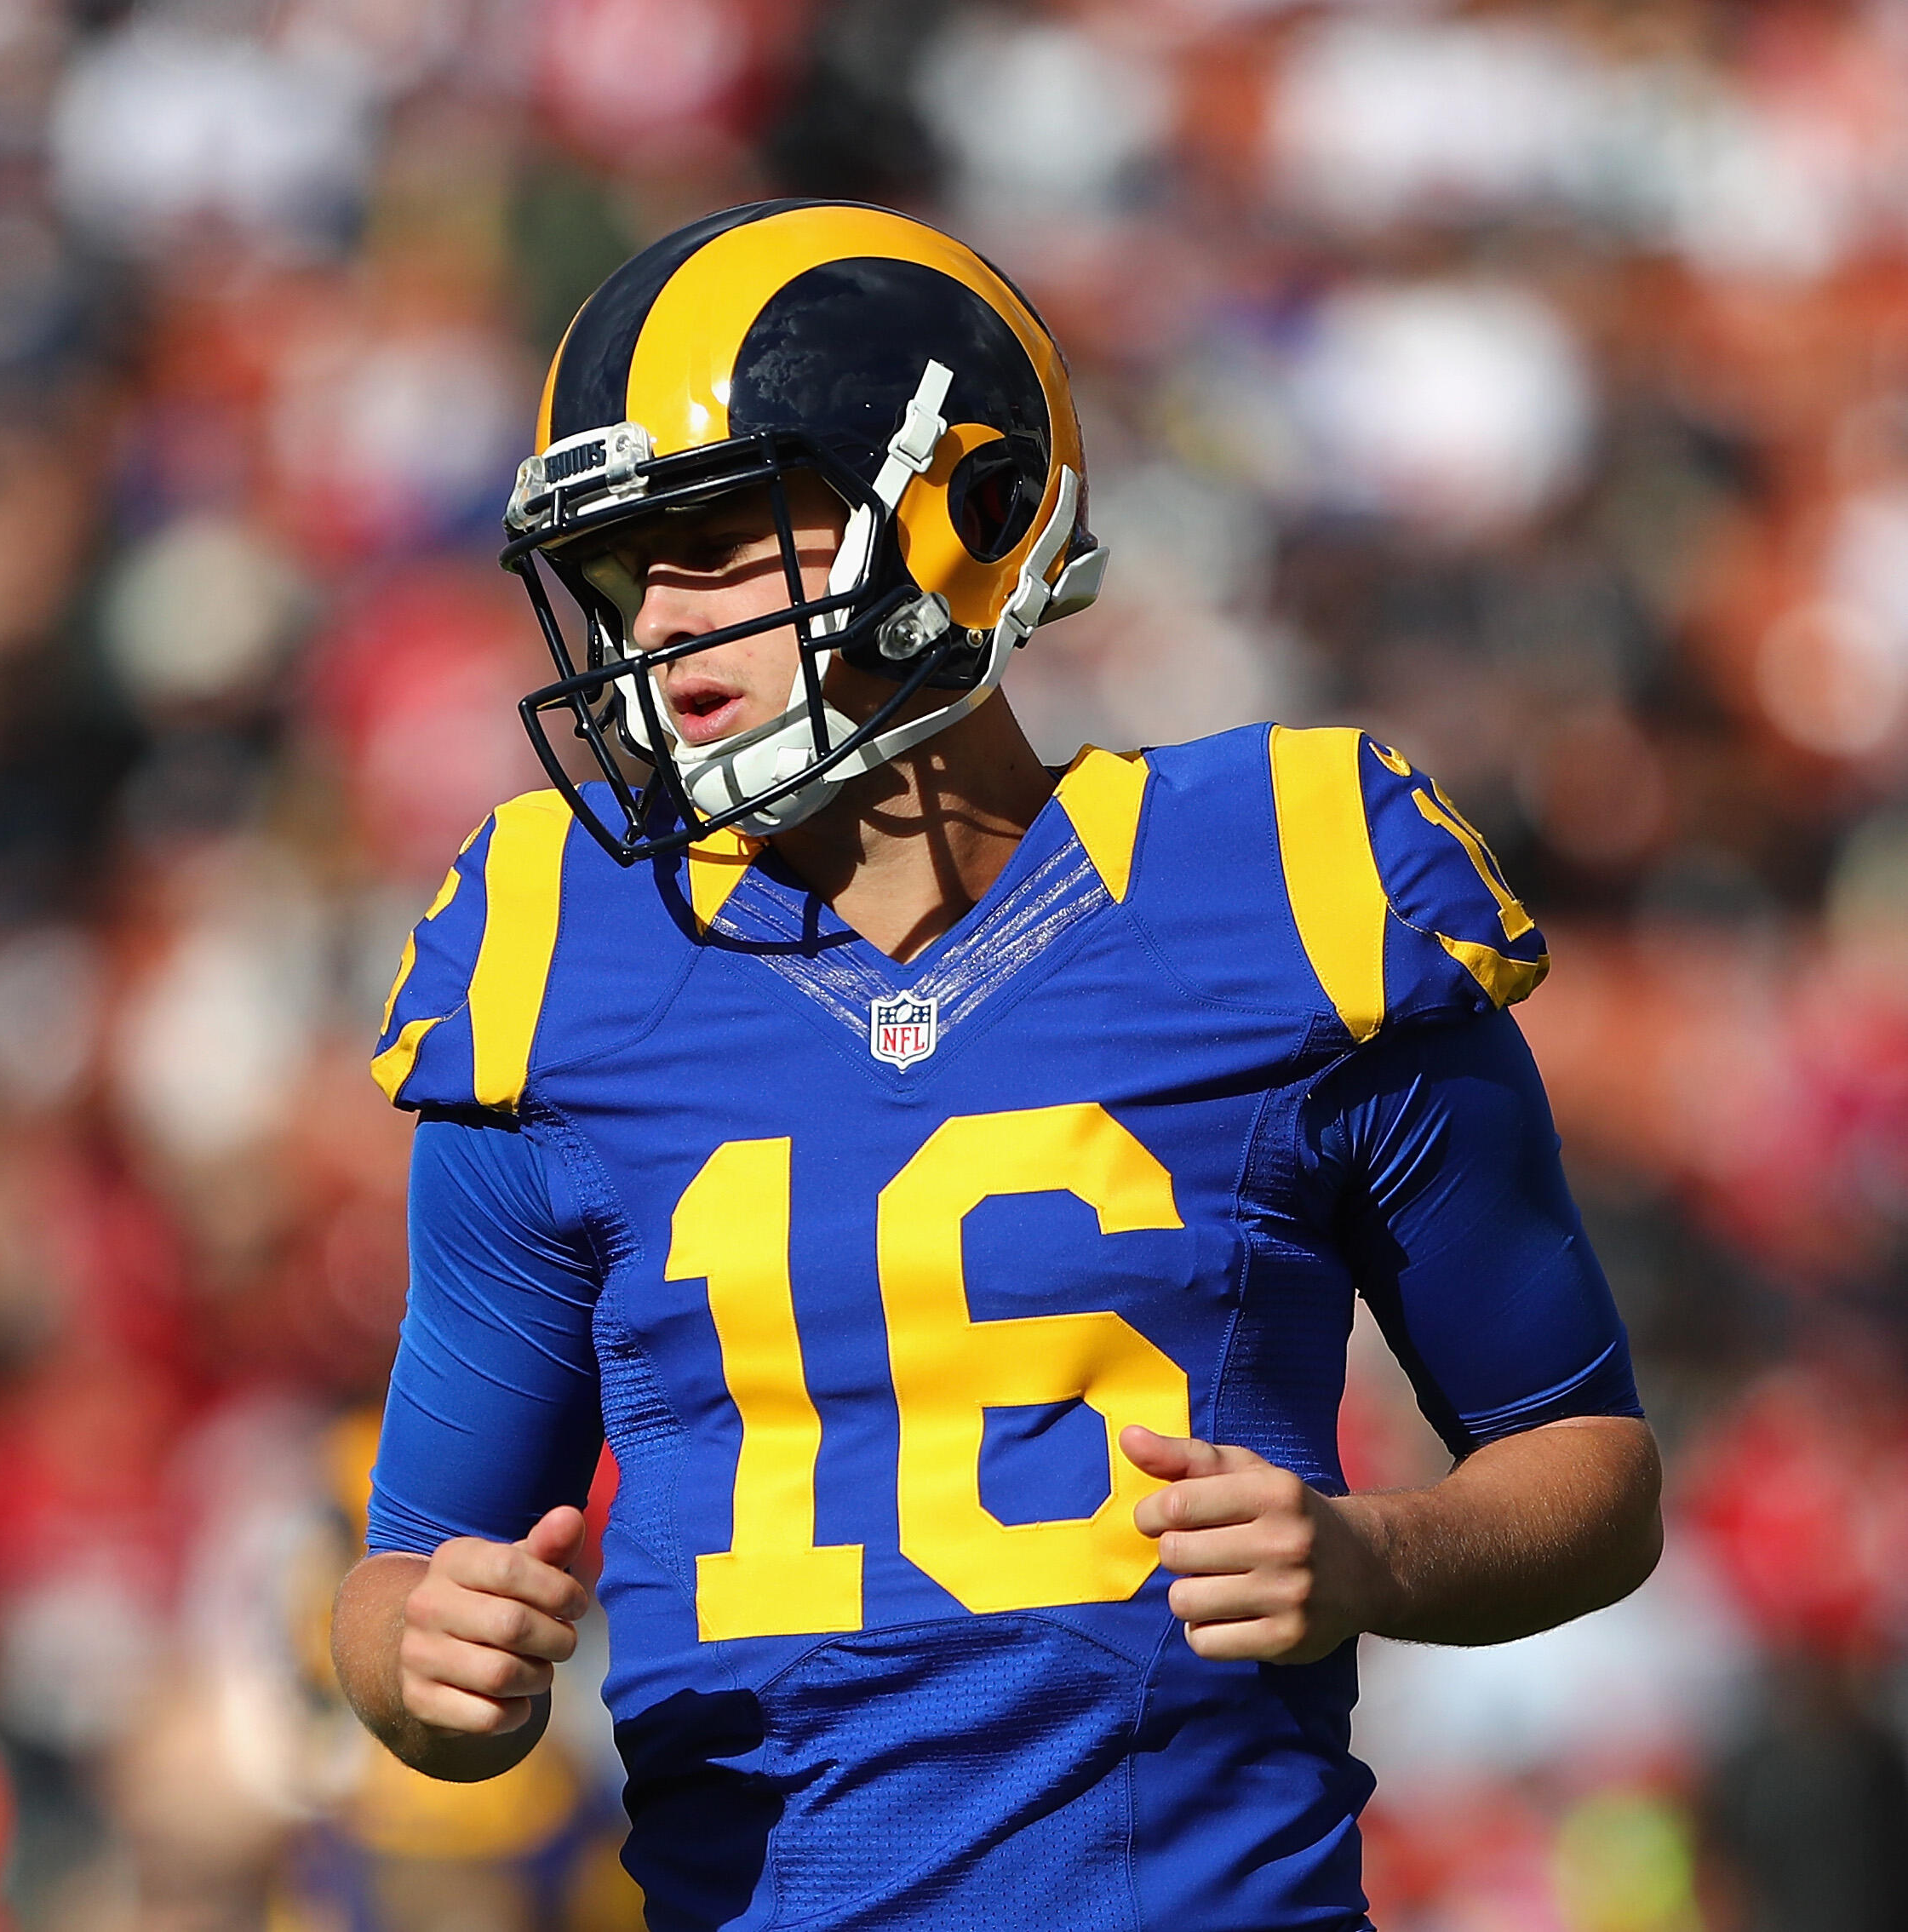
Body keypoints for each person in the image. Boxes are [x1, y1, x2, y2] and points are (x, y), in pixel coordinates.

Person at [329, 200, 1662, 1932]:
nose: (655, 626)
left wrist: (1371, 1558)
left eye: (718, 542)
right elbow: (404, 1571)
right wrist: (425, 1666)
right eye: (618, 572)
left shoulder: (1284, 889)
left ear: (962, 507)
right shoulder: (553, 950)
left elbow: (1588, 1470)